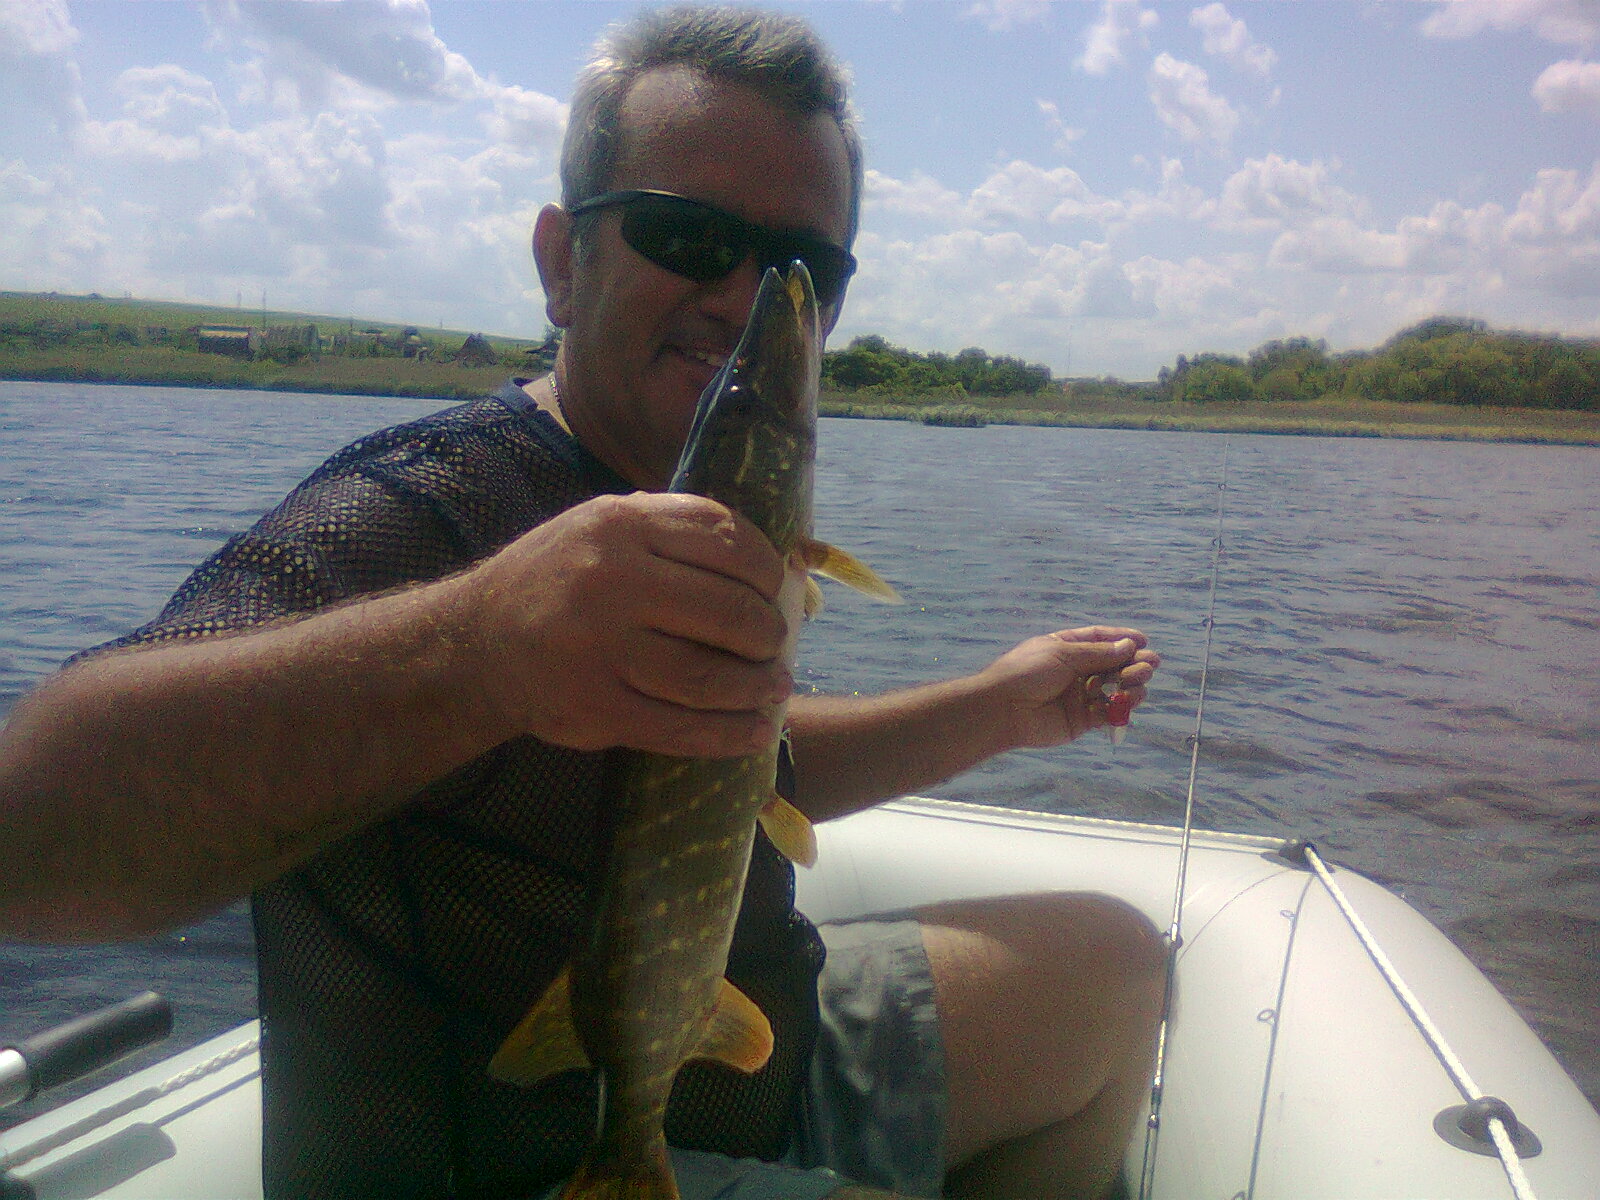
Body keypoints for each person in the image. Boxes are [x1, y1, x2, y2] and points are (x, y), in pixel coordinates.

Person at [0, 7, 1163, 1199]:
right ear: (562, 264)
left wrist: (999, 708)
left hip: (762, 1051)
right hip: (533, 1163)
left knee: (1120, 974)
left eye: (803, 271)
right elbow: (28, 838)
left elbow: (732, 762)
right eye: (688, 235)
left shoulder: (714, 501)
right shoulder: (423, 508)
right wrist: (483, 649)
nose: (744, 297)